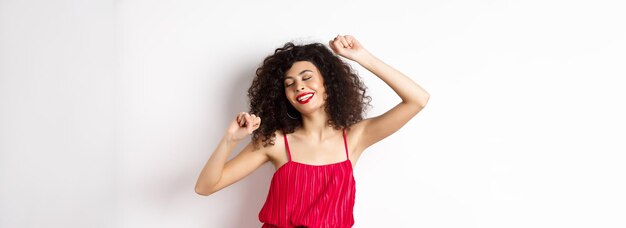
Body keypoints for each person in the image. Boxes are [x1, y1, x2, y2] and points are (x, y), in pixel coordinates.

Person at [195, 35, 430, 227]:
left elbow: (418, 100)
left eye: (307, 77)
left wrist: (362, 57)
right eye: (289, 84)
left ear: (328, 84)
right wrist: (229, 140)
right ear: (284, 97)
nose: (299, 86)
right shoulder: (275, 142)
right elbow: (205, 187)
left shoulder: (355, 138)